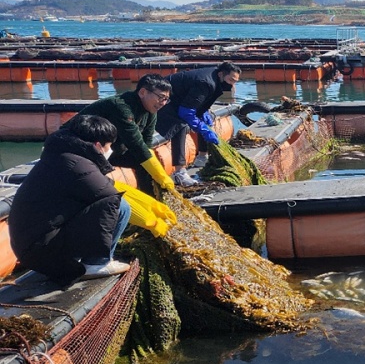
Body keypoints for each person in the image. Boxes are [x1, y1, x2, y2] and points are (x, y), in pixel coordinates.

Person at [9, 115, 133, 285]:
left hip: (31, 246)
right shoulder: (77, 164)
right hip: (42, 251)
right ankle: (97, 263)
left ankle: (84, 259)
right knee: (121, 207)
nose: (110, 150)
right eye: (109, 145)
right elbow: (110, 197)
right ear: (98, 145)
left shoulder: (61, 155)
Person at [76, 73, 176, 193]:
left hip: (110, 151)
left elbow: (146, 144)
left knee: (145, 164)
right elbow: (135, 144)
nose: (163, 103)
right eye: (160, 97)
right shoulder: (121, 107)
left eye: (166, 99)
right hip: (83, 150)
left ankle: (152, 198)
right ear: (142, 92)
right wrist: (161, 176)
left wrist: (158, 174)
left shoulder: (151, 111)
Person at [155, 61, 241, 186]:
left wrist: (204, 114)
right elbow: (186, 112)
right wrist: (203, 129)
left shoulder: (215, 78)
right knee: (180, 127)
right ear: (221, 74)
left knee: (204, 120)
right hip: (161, 99)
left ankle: (202, 157)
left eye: (235, 81)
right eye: (231, 80)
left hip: (178, 100)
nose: (232, 84)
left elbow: (199, 102)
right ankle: (179, 172)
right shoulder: (206, 82)